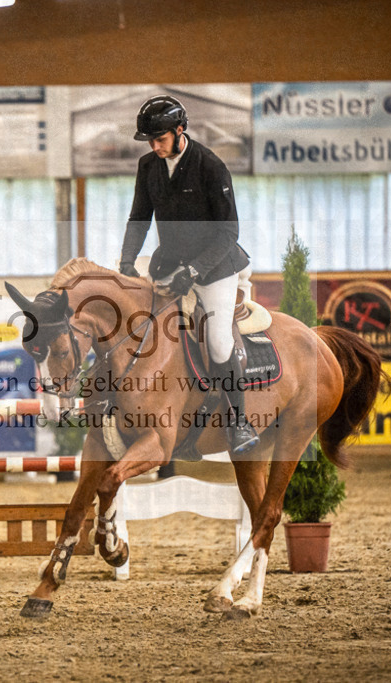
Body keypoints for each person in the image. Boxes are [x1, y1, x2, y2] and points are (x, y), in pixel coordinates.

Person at [118, 94, 257, 454]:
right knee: (145, 330)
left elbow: (229, 232)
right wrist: (126, 261)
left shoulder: (211, 166)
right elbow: (138, 218)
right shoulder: (148, 165)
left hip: (215, 268)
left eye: (160, 139)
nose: (154, 146)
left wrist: (195, 270)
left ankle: (239, 423)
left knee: (218, 342)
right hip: (169, 264)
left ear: (180, 130)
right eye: (150, 141)